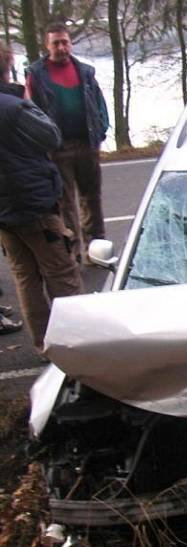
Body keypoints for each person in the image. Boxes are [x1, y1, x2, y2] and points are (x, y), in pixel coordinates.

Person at [0, 40, 84, 351]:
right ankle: (77, 345)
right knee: (62, 273)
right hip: (33, 204)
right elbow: (51, 135)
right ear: (7, 67)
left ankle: (44, 345)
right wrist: (25, 99)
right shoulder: (14, 107)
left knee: (25, 277)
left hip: (5, 213)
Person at [25, 22, 109, 262]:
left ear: (70, 43)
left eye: (65, 42)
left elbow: (99, 104)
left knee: (92, 197)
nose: (61, 47)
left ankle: (98, 247)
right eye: (56, 43)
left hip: (87, 144)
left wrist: (101, 132)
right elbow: (31, 110)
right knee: (66, 203)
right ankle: (75, 250)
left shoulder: (85, 71)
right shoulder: (36, 75)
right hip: (57, 149)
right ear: (47, 45)